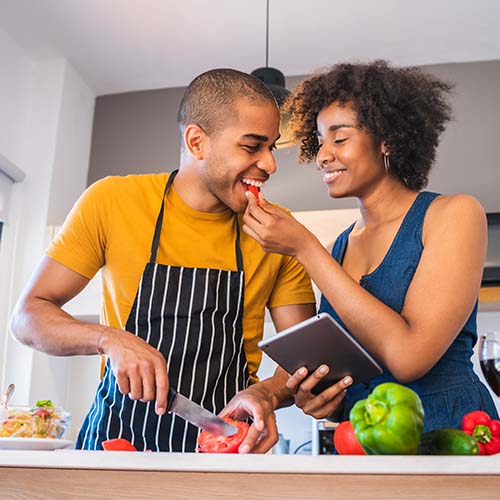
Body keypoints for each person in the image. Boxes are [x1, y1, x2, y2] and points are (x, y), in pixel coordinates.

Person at [10, 68, 351, 453]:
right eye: (252, 146)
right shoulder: (111, 201)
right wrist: (109, 339)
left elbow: (302, 360)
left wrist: (267, 394)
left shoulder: (278, 232)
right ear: (197, 141)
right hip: (116, 449)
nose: (270, 164)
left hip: (226, 453)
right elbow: (28, 316)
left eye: (271, 147)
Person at [242, 60, 499, 431]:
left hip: (450, 432)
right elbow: (349, 371)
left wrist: (304, 248)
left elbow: (409, 358)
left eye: (340, 138)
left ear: (387, 140)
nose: (323, 155)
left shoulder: (453, 214)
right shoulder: (340, 246)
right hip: (363, 442)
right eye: (320, 140)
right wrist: (320, 399)